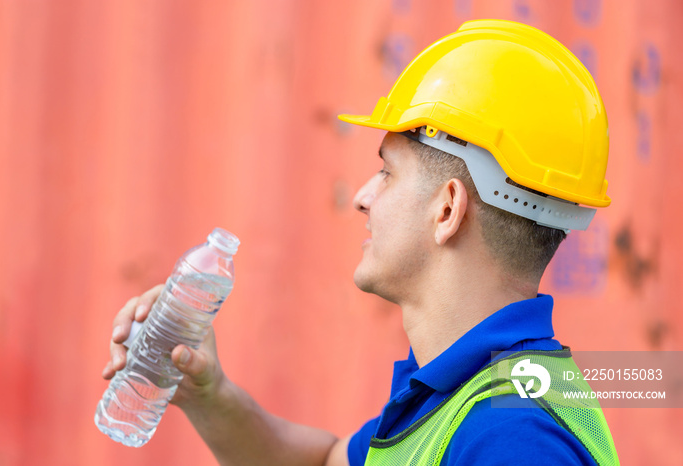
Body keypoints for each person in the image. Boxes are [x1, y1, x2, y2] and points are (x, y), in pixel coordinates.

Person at [101, 19, 619, 465]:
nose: (363, 198)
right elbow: (327, 461)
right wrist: (210, 396)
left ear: (447, 209)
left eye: (386, 172)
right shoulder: (470, 394)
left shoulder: (509, 438)